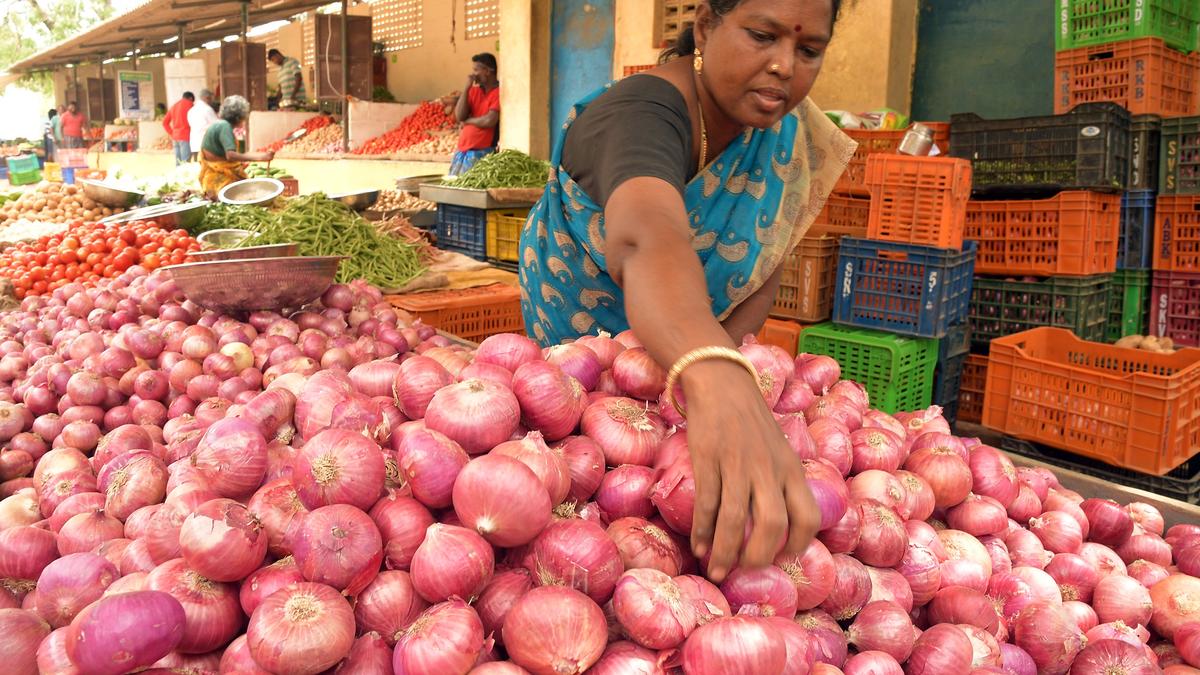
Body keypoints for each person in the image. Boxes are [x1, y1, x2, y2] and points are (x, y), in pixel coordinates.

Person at [518, 0, 853, 582]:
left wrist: (700, 406)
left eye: (807, 50)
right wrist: (718, 375)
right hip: (580, 403)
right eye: (760, 35)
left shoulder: (783, 136)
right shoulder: (639, 114)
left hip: (685, 381)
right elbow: (649, 237)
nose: (782, 66)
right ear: (704, 26)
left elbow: (764, 256)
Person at [199, 95, 274, 198]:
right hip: (220, 180)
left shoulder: (217, 124)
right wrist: (261, 158)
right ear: (239, 117)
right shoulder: (224, 126)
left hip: (210, 178)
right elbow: (230, 155)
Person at [450, 52, 500, 176]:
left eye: (476, 70)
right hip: (463, 150)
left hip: (482, 152)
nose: (473, 74)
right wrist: (466, 89)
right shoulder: (473, 91)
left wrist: (468, 121)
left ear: (488, 71)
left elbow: (489, 121)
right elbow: (459, 116)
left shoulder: (499, 91)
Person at [188, 89, 220, 163]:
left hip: (195, 143)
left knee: (197, 166)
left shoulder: (191, 110)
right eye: (211, 99)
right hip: (206, 144)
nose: (212, 101)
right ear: (207, 98)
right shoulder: (207, 109)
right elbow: (217, 125)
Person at [163, 92, 195, 165]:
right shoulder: (191, 105)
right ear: (191, 98)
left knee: (178, 162)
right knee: (185, 163)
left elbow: (164, 122)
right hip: (186, 137)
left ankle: (177, 176)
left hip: (175, 137)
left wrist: (172, 133)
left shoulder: (174, 106)